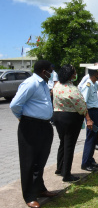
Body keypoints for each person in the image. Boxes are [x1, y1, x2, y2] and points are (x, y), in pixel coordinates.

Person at [10, 60, 58, 208]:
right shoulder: (31, 83)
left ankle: (40, 188)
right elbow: (15, 104)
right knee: (28, 162)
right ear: (44, 71)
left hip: (44, 126)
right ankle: (29, 195)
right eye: (51, 70)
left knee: (41, 160)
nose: (52, 73)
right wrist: (22, 118)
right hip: (30, 126)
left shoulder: (44, 84)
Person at [53, 64, 93, 182]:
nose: (76, 74)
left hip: (57, 116)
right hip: (70, 119)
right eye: (74, 72)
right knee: (69, 145)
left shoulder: (57, 86)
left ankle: (59, 168)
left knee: (62, 143)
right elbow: (81, 107)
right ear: (70, 75)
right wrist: (89, 119)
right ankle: (67, 174)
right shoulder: (73, 90)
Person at [78, 62, 98, 151]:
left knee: (94, 135)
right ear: (94, 74)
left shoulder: (94, 83)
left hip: (95, 111)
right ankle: (86, 162)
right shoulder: (88, 85)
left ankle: (90, 160)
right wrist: (88, 119)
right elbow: (83, 102)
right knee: (90, 137)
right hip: (91, 112)